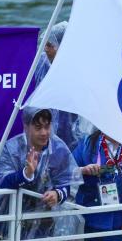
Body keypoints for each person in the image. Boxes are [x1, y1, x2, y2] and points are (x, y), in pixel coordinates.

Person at [0, 107, 84, 241]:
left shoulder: (59, 148)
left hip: (42, 226)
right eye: (38, 128)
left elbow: (68, 182)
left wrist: (57, 195)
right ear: (26, 126)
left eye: (47, 126)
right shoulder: (12, 148)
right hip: (11, 223)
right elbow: (3, 183)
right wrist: (26, 174)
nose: (44, 133)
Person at [33, 21, 81, 150]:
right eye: (45, 44)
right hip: (44, 131)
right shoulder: (42, 63)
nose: (45, 48)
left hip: (71, 134)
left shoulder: (77, 70)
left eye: (50, 45)